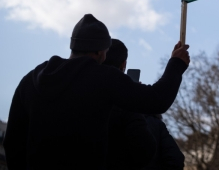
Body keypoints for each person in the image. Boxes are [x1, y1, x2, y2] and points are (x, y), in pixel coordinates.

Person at [4, 14, 190, 169]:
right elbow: (156, 100)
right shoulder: (104, 78)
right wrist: (176, 64)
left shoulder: (31, 79)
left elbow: (12, 142)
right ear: (102, 52)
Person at [104, 39, 157, 170]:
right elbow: (145, 151)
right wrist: (134, 100)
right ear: (123, 65)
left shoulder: (74, 94)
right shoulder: (126, 107)